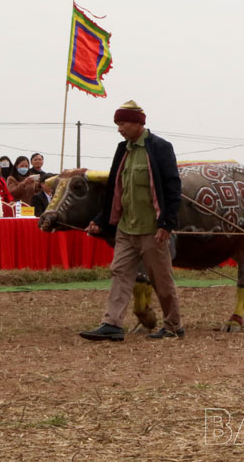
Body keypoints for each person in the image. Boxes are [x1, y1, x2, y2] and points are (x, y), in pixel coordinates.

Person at [80, 100, 183, 342]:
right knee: (119, 272)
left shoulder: (160, 148)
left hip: (152, 228)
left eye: (122, 123)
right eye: (117, 123)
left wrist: (167, 224)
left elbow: (172, 188)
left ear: (138, 123)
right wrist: (101, 220)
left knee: (161, 279)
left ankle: (173, 325)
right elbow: (115, 190)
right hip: (126, 227)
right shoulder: (122, 150)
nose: (119, 128)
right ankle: (112, 324)